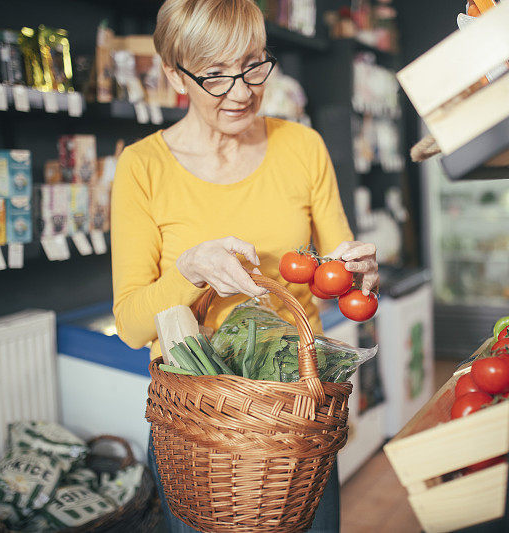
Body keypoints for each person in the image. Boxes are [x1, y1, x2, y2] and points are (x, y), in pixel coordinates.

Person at [110, 0, 379, 531]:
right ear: (174, 75)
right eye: (214, 75)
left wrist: (360, 273)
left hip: (295, 417)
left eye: (253, 65)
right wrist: (189, 269)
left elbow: (340, 270)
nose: (241, 91)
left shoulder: (302, 146)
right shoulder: (142, 167)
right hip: (199, 424)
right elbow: (131, 326)